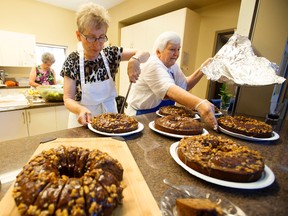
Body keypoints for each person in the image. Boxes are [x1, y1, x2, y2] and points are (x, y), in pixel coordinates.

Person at [61, 3, 150, 128]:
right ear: (79, 36)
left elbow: (145, 53)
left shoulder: (110, 54)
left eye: (102, 37)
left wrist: (135, 60)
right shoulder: (72, 60)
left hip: (110, 119)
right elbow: (68, 98)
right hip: (83, 121)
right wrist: (80, 110)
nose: (97, 45)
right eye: (91, 38)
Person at [126, 31, 217, 129]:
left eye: (178, 49)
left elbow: (185, 85)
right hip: (141, 115)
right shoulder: (152, 64)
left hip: (161, 115)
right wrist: (200, 104)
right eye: (172, 49)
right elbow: (170, 91)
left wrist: (203, 68)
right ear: (158, 52)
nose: (177, 54)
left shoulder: (172, 65)